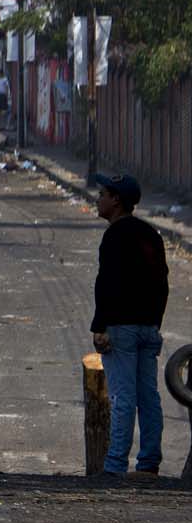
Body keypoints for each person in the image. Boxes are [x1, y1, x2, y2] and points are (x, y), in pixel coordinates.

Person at [91, 173, 168, 477]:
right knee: (149, 398)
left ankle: (114, 466)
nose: (98, 199)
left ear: (116, 201)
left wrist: (100, 326)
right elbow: (162, 282)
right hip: (148, 328)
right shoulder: (151, 235)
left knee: (123, 398)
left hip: (121, 329)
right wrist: (153, 322)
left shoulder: (114, 236)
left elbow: (107, 284)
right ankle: (148, 463)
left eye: (102, 194)